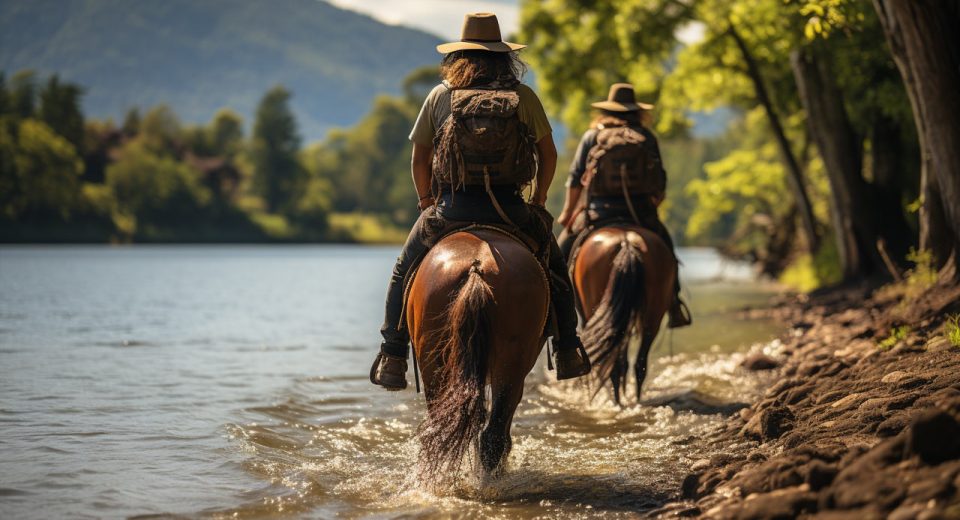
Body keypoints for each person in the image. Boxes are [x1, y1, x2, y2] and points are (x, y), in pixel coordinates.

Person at [370, 13, 592, 390]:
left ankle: (393, 354)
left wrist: (427, 201)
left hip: (452, 208)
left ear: (459, 56)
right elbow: (548, 154)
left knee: (402, 270)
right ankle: (568, 347)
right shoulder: (522, 96)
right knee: (555, 266)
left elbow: (419, 158)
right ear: (505, 56)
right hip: (511, 210)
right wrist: (537, 200)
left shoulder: (440, 95)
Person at [557, 83, 692, 328]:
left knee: (557, 259)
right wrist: (651, 208)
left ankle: (555, 313)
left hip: (597, 214)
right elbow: (659, 184)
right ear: (637, 112)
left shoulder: (592, 136)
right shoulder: (646, 137)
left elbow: (576, 179)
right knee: (667, 252)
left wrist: (567, 213)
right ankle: (674, 303)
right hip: (640, 214)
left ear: (607, 111)